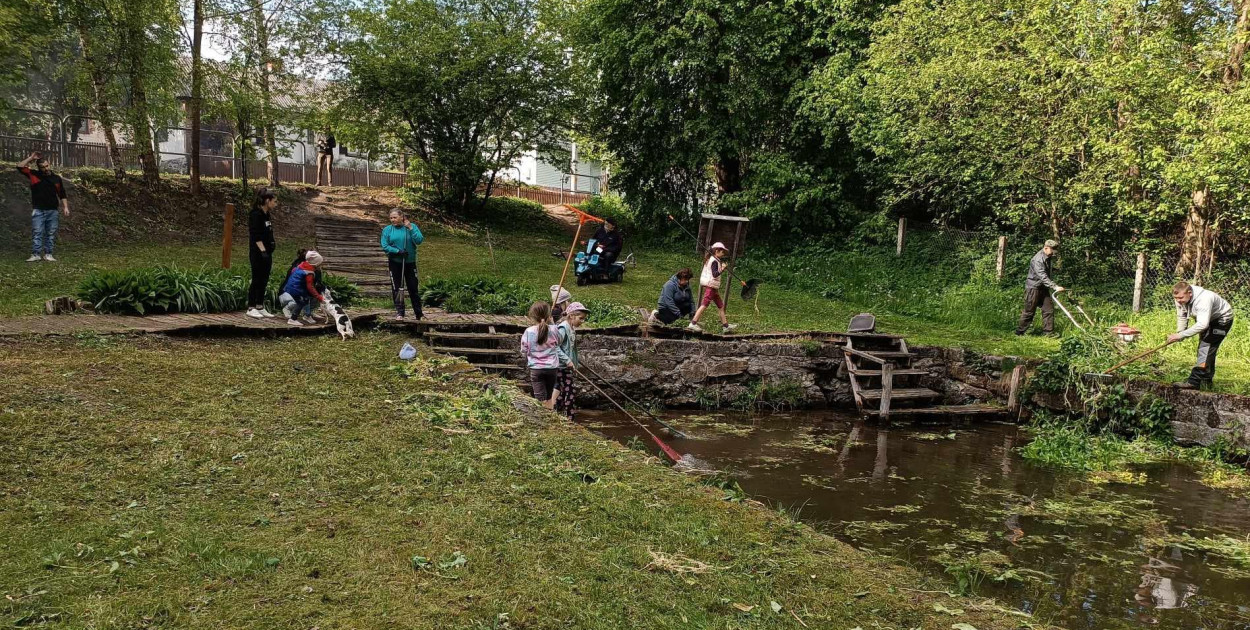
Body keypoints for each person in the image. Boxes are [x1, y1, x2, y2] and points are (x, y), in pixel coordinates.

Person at [1168, 281, 1234, 390]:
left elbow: (1203, 325)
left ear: (1189, 293)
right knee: (1205, 350)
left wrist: (1181, 335)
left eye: (1180, 298)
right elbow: (1182, 315)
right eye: (1176, 298)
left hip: (1221, 320)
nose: (1178, 301)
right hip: (1207, 319)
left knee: (1205, 349)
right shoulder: (1180, 298)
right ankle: (1206, 381)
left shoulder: (1203, 299)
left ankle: (1194, 382)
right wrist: (1180, 333)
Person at [16, 152, 69, 262]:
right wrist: (31, 157)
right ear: (39, 168)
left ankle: (48, 254)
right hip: (38, 210)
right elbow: (19, 167)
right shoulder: (33, 174)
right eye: (43, 167)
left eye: (47, 166)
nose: (46, 168)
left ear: (49, 164)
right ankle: (36, 254)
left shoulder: (56, 178)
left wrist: (65, 207)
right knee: (37, 232)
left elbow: (62, 194)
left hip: (53, 210)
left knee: (50, 233)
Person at [380, 208, 424, 320]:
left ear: (402, 217)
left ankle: (419, 313)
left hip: (410, 262)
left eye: (395, 217)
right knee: (397, 287)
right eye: (391, 218)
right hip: (395, 262)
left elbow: (419, 240)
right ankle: (400, 312)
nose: (392, 220)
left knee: (413, 287)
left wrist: (410, 228)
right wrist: (397, 251)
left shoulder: (411, 227)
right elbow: (385, 245)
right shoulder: (387, 230)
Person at [1015, 239, 1065, 335]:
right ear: (1046, 248)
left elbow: (1046, 269)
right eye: (1052, 250)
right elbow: (1042, 276)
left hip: (1043, 288)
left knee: (1048, 310)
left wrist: (1055, 269)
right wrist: (1055, 287)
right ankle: (1020, 332)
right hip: (1033, 288)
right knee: (1029, 311)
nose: (1054, 253)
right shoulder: (1037, 259)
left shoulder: (1048, 257)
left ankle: (1048, 333)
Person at [520, 301, 561, 408]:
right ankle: (550, 413)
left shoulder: (528, 331)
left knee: (540, 399)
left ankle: (544, 415)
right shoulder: (554, 329)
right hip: (552, 368)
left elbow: (524, 349)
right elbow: (559, 342)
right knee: (549, 397)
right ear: (549, 316)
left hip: (536, 369)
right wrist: (552, 323)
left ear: (532, 316)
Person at [246, 189, 278, 319]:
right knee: (257, 279)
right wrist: (263, 251)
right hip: (258, 253)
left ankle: (260, 305)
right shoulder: (255, 214)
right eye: (274, 201)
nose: (275, 204)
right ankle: (251, 307)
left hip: (268, 252)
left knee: (264, 279)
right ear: (267, 200)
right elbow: (256, 235)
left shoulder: (266, 214)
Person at [689, 243, 735, 333]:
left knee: (720, 306)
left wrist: (721, 267)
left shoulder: (714, 259)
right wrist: (722, 269)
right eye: (722, 252)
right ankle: (693, 323)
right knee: (704, 305)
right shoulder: (714, 261)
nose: (723, 254)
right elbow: (714, 274)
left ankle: (725, 326)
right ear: (717, 251)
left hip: (713, 288)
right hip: (711, 287)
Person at [554, 302, 589, 419]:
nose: (582, 321)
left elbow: (571, 349)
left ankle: (556, 413)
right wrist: (567, 360)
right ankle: (570, 417)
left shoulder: (571, 328)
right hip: (561, 366)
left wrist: (574, 362)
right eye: (581, 318)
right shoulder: (563, 328)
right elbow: (555, 346)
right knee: (570, 391)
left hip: (566, 366)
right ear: (571, 316)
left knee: (561, 390)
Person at [278, 250, 328, 326]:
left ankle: (302, 315)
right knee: (302, 301)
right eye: (319, 263)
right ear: (315, 263)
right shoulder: (309, 272)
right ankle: (293, 319)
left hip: (290, 287)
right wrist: (319, 297)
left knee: (303, 300)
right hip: (296, 289)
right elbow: (310, 287)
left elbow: (293, 271)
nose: (320, 265)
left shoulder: (302, 265)